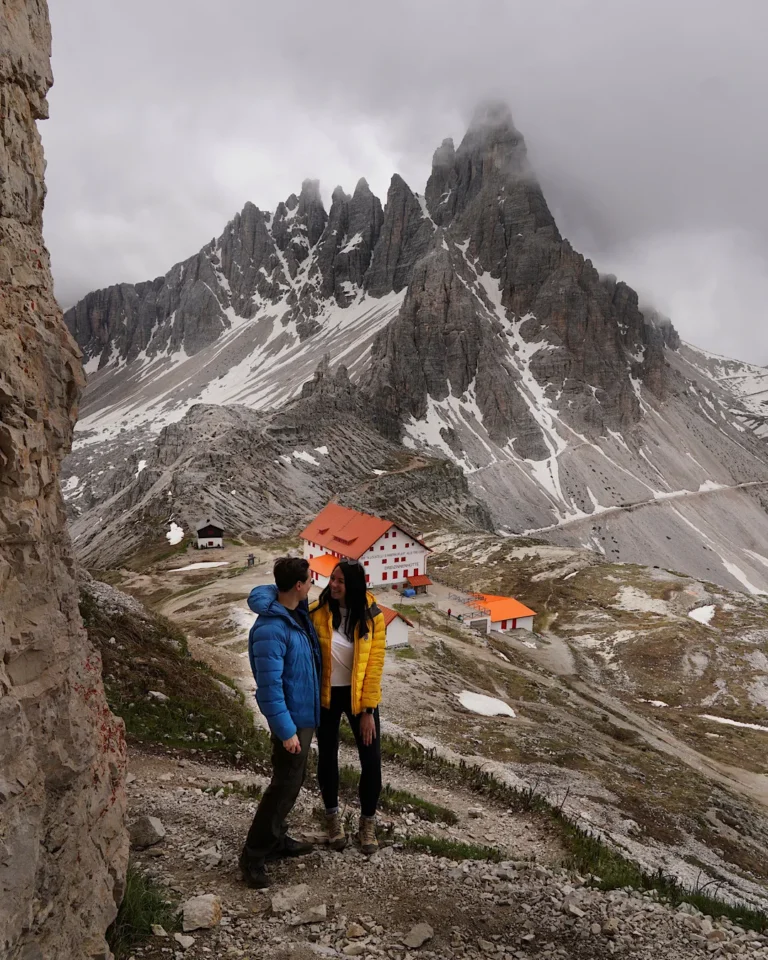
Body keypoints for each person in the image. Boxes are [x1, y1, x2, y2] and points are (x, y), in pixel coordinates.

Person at [239, 556, 321, 888]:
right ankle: (253, 856)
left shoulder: (291, 614)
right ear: (298, 586)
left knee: (290, 783)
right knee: (282, 787)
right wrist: (286, 731)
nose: (312, 584)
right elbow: (269, 688)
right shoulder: (272, 628)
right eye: (309, 580)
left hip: (301, 715)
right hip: (291, 721)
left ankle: (276, 838)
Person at [310, 560, 387, 855]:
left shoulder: (372, 615)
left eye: (340, 581)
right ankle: (332, 817)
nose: (334, 585)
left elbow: (375, 664)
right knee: (327, 756)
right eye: (332, 579)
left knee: (371, 759)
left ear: (353, 584)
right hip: (327, 696)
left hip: (359, 699)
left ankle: (367, 824)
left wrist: (368, 710)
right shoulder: (318, 611)